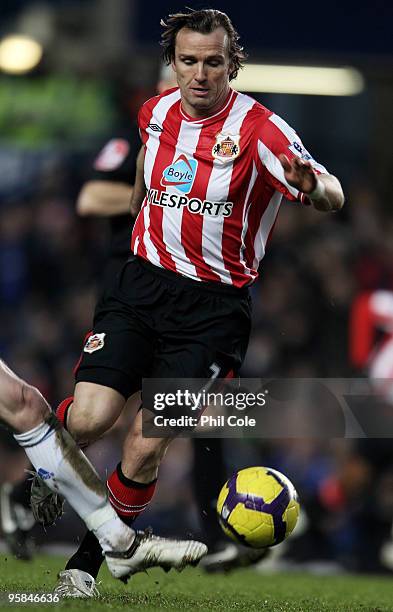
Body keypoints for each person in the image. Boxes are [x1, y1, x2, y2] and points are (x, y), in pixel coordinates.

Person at [37, 6, 344, 596]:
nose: (199, 74)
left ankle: (83, 567)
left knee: (147, 442)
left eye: (213, 62)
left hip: (212, 313)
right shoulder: (154, 112)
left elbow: (331, 191)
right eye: (188, 61)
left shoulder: (262, 130)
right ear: (172, 63)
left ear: (234, 65)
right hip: (140, 288)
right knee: (89, 420)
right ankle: (40, 476)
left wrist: (312, 183)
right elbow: (141, 190)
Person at [0, 359, 207, 592]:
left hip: (193, 333)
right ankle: (31, 491)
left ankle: (90, 561)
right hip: (138, 322)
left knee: (145, 447)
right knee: (87, 419)